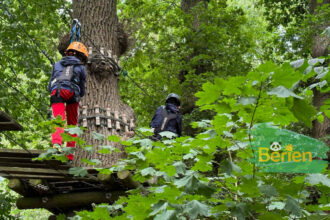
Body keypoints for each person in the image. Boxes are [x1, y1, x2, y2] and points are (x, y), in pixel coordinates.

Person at [48, 41, 88, 160]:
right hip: (72, 94)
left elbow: (50, 84)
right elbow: (82, 88)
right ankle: (70, 155)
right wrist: (79, 96)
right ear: (80, 56)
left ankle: (56, 145)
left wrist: (54, 91)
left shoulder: (57, 64)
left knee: (58, 120)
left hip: (57, 92)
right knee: (72, 124)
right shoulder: (81, 67)